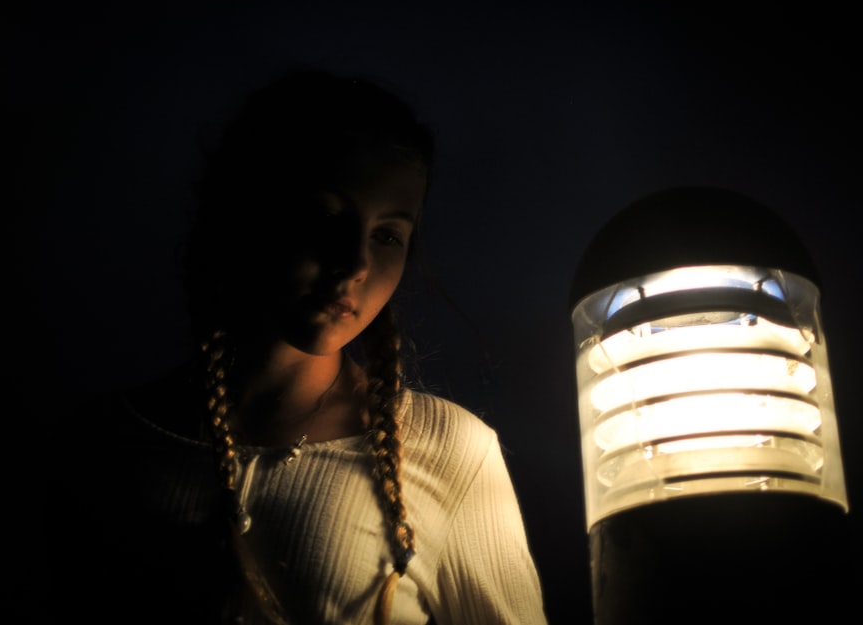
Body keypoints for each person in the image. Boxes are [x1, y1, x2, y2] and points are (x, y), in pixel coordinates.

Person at [48, 70, 548, 625]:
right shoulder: (103, 447)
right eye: (324, 216)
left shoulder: (450, 451)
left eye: (387, 235)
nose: (354, 265)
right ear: (243, 212)